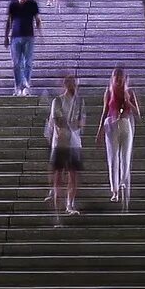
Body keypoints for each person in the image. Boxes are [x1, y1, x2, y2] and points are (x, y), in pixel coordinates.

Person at [45, 73, 85, 216]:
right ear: (65, 84)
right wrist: (72, 124)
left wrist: (73, 124)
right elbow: (58, 121)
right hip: (60, 144)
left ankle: (70, 204)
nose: (74, 86)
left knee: (73, 175)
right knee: (58, 175)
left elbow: (82, 122)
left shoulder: (80, 102)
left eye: (76, 83)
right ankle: (57, 207)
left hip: (74, 143)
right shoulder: (58, 101)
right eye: (71, 83)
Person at [102, 67, 141, 209]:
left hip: (125, 124)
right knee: (113, 158)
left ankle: (123, 180)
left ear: (125, 78)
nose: (118, 80)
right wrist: (100, 130)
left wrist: (128, 101)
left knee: (125, 156)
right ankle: (115, 190)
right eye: (116, 77)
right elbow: (105, 111)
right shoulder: (109, 92)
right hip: (111, 125)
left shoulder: (130, 92)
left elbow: (138, 114)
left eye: (120, 77)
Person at [7, 0, 43, 96]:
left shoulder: (32, 3)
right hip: (15, 37)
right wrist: (6, 36)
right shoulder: (13, 4)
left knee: (27, 62)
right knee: (16, 63)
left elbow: (37, 19)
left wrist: (40, 31)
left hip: (29, 36)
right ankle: (18, 86)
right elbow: (9, 20)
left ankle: (26, 85)